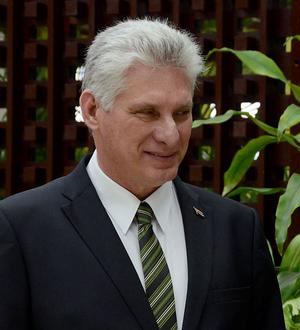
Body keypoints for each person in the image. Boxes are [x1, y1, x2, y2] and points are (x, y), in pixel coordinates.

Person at [0, 18, 284, 330]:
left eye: (181, 113)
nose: (170, 135)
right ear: (92, 110)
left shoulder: (237, 229)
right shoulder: (21, 230)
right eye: (147, 113)